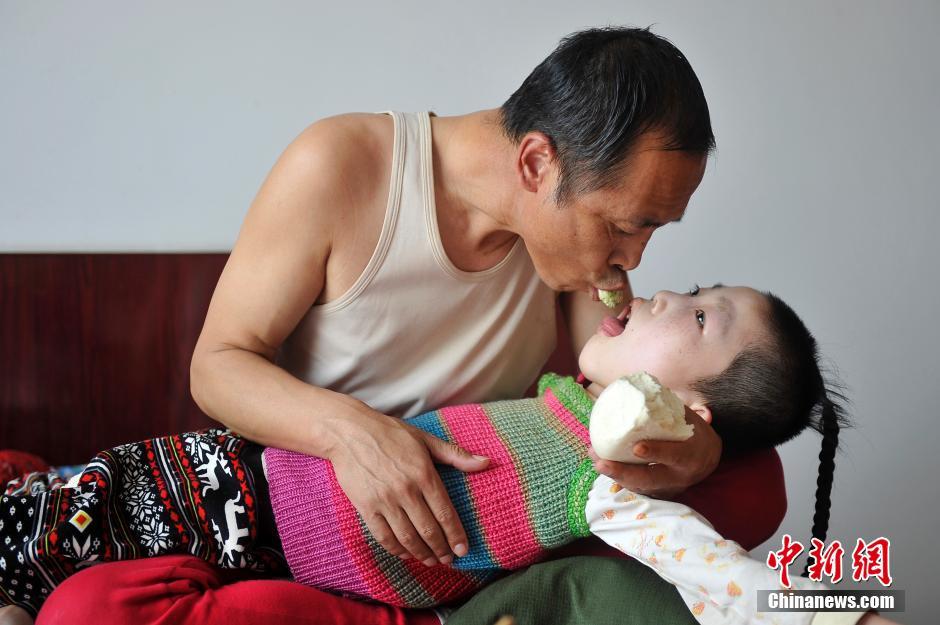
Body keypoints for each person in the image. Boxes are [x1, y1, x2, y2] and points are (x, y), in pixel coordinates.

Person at [32, 25, 788, 623]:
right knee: (82, 602)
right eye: (625, 225)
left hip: (443, 559)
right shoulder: (343, 166)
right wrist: (353, 434)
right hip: (292, 505)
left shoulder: (573, 255)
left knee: (754, 477)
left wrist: (694, 447)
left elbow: (636, 385)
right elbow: (217, 364)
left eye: (651, 229)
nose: (634, 259)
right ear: (536, 164)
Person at [0, 286, 896, 624]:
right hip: (253, 466)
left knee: (74, 571)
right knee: (58, 504)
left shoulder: (612, 487)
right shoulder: (561, 395)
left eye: (700, 316)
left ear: (691, 413)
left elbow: (729, 578)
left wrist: (849, 614)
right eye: (693, 288)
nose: (662, 293)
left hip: (275, 547)